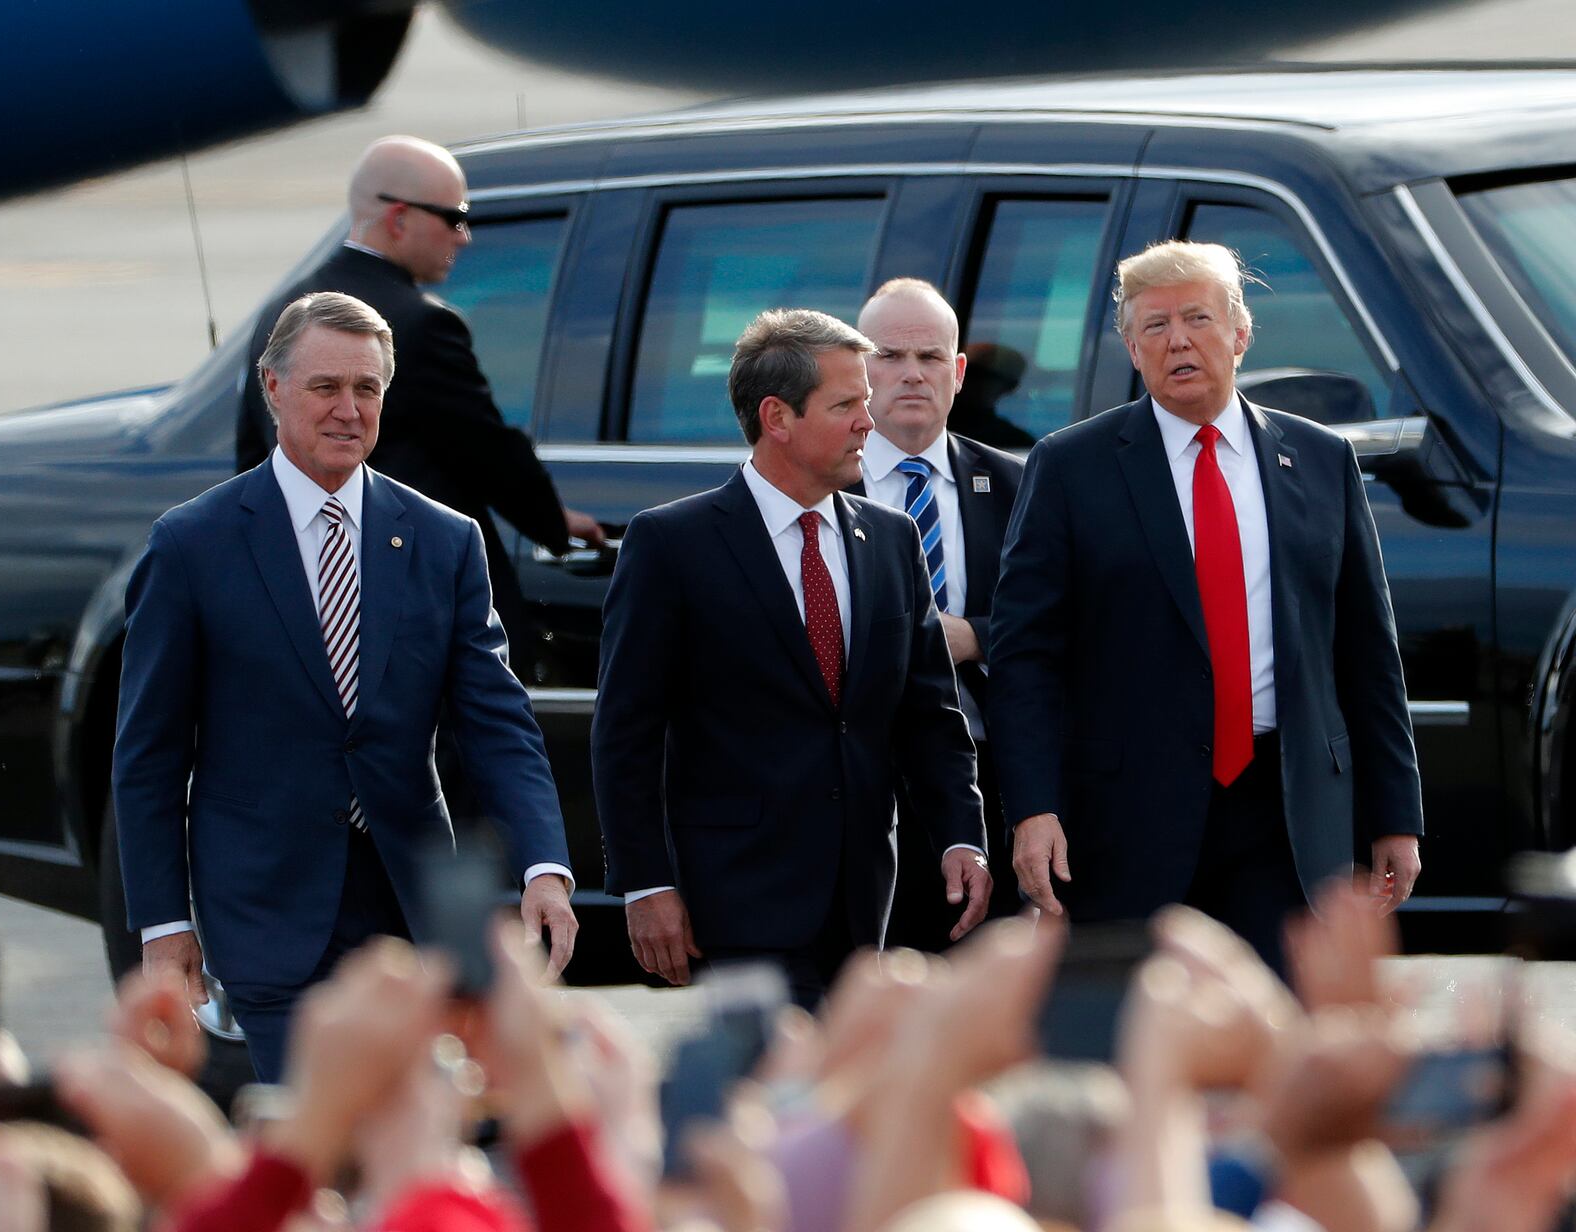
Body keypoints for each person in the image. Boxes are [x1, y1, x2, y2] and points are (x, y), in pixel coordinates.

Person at [114, 291, 576, 1082]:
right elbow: (149, 755)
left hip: (412, 907)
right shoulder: (193, 545)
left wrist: (544, 866)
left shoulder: (443, 539)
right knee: (316, 1138)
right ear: (273, 387)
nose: (348, 409)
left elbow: (497, 722)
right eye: (326, 387)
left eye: (366, 389)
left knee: (418, 1144)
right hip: (266, 908)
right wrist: (162, 924)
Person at [988, 240, 1423, 971]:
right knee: (1134, 1046)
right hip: (1128, 819)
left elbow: (1367, 653)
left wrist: (1395, 816)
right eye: (1154, 326)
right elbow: (1024, 654)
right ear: (1130, 346)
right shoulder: (1071, 467)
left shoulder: (1319, 460)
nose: (1178, 340)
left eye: (1197, 317)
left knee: (1279, 1048)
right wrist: (1033, 809)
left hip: (1284, 813)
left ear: (1241, 332)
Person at [591, 308, 991, 1010]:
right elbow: (626, 731)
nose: (869, 422)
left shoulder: (892, 541)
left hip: (865, 902)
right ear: (777, 417)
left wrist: (963, 835)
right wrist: (645, 883)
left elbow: (930, 713)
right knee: (767, 1111)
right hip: (736, 904)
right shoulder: (672, 545)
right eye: (846, 405)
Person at [234, 134, 602, 669]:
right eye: (453, 217)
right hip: (412, 610)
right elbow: (486, 451)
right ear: (400, 218)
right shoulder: (423, 324)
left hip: (306, 600)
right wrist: (553, 525)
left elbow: (253, 462)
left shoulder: (278, 315)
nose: (465, 236)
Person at [851, 278, 1026, 948]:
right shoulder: (813, 484)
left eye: (929, 359)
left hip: (983, 781)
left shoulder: (1015, 484)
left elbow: (1061, 624)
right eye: (890, 357)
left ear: (957, 373)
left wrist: (974, 637)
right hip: (858, 780)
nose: (911, 375)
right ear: (859, 369)